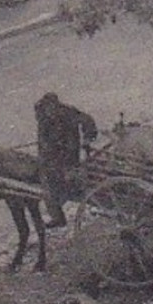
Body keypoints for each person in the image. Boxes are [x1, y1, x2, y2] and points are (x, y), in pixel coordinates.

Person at [34, 92, 98, 228]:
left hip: (67, 155)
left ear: (57, 105)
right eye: (48, 109)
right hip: (50, 155)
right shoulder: (42, 115)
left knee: (48, 187)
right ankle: (57, 215)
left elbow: (87, 120)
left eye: (53, 108)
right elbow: (42, 138)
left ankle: (58, 218)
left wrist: (87, 138)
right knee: (46, 181)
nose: (51, 111)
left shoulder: (68, 112)